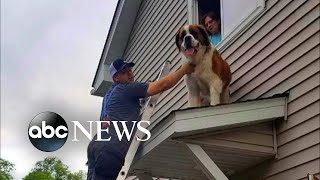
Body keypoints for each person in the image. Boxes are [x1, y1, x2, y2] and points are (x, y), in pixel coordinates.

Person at [87, 58, 195, 180]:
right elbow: (162, 85)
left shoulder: (109, 95)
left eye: (130, 70)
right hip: (110, 148)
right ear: (115, 78)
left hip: (95, 146)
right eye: (124, 72)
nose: (130, 74)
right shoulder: (126, 88)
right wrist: (184, 69)